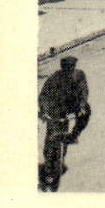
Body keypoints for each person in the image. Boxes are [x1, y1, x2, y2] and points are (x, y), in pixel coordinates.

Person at [38, 55, 90, 190]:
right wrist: (44, 111)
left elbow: (84, 91)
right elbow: (43, 95)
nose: (69, 70)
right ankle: (49, 169)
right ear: (62, 68)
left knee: (87, 111)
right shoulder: (55, 78)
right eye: (66, 68)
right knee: (51, 140)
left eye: (71, 68)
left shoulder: (79, 75)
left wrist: (82, 106)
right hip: (56, 110)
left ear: (74, 67)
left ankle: (74, 134)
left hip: (71, 107)